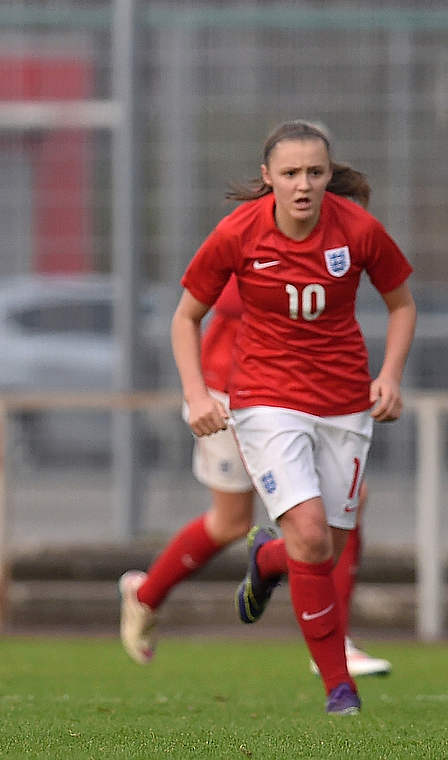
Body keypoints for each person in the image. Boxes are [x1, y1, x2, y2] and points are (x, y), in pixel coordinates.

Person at [167, 120, 414, 716]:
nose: (303, 185)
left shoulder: (357, 230)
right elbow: (184, 318)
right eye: (291, 174)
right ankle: (339, 689)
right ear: (267, 178)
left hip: (345, 404)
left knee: (321, 546)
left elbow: (402, 303)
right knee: (309, 534)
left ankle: (267, 558)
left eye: (315, 173)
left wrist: (390, 376)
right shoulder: (238, 233)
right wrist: (198, 395)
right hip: (266, 400)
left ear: (329, 175)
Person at [119, 276, 391, 678]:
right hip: (227, 395)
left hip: (287, 397)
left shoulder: (322, 225)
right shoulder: (253, 232)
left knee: (345, 504)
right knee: (230, 523)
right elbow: (227, 303)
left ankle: (335, 642)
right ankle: (144, 596)